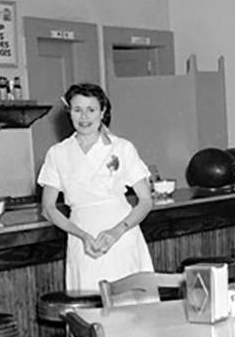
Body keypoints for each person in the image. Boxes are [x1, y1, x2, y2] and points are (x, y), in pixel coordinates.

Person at [38, 83, 154, 291]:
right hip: (81, 237)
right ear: (69, 113)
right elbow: (48, 208)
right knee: (89, 305)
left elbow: (145, 201)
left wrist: (117, 232)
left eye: (91, 110)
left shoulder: (122, 148)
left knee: (130, 307)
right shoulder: (58, 153)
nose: (84, 117)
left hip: (122, 235)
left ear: (103, 112)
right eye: (77, 110)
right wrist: (82, 235)